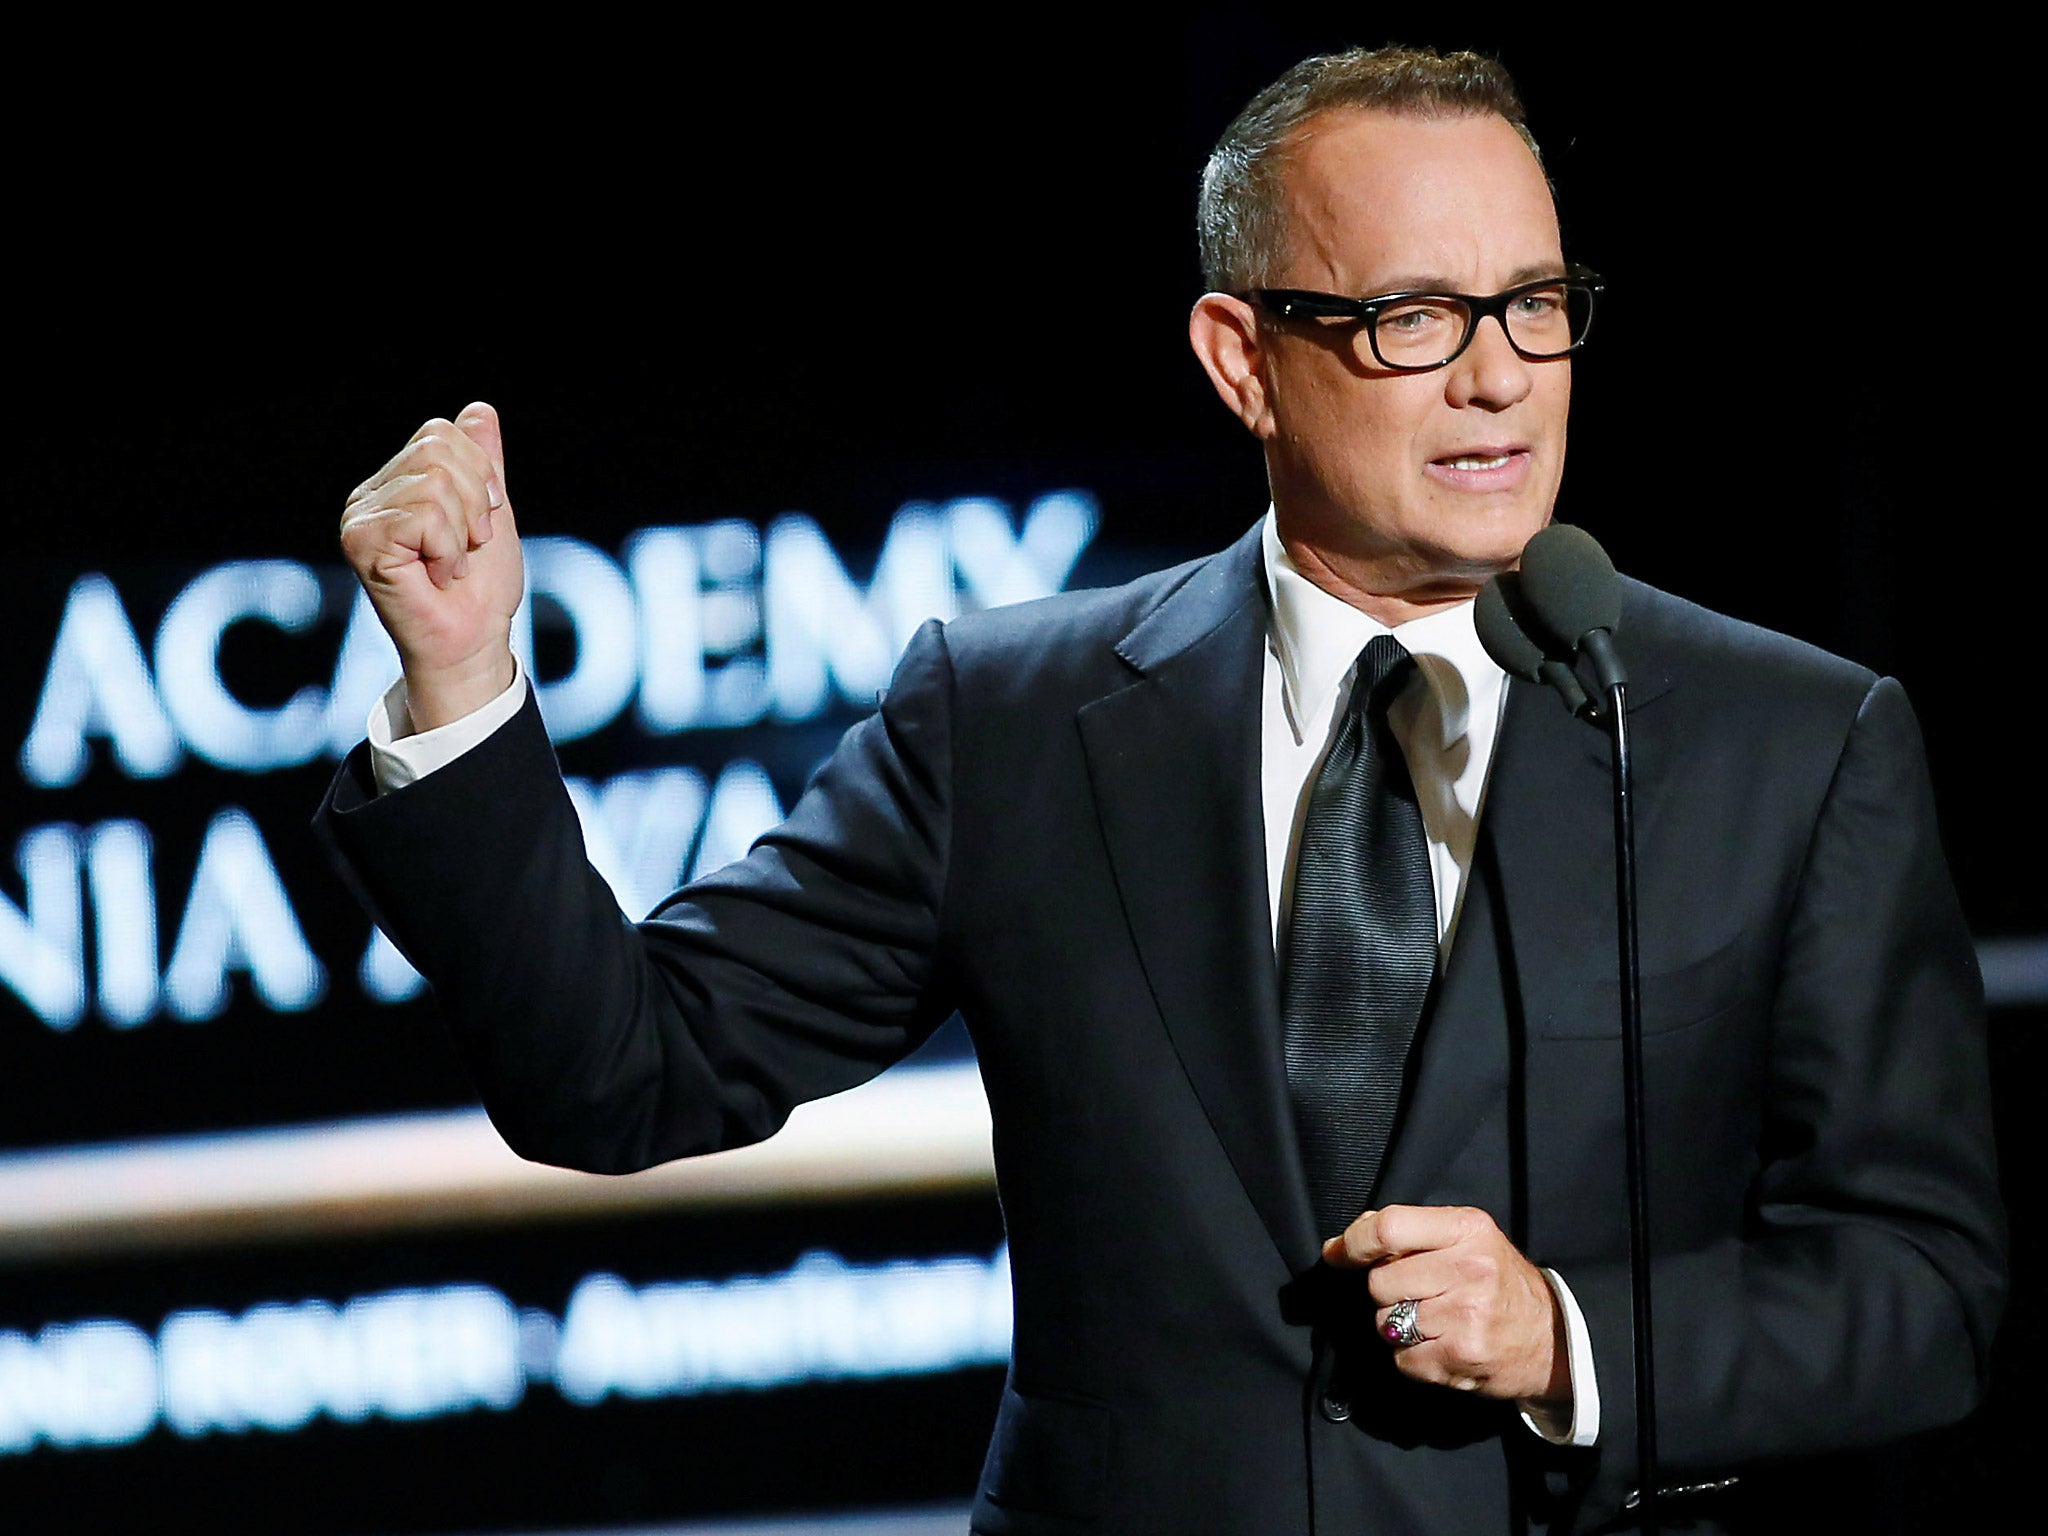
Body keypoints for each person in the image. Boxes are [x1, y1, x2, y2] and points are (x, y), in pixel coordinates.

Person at [317, 45, 2005, 1535]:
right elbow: (623, 1072)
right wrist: (462, 685)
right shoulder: (1012, 720)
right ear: (1242, 358)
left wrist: (1572, 1337)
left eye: (1536, 304)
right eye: (1413, 318)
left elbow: (1921, 1289)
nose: (1499, 377)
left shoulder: (1788, 737)